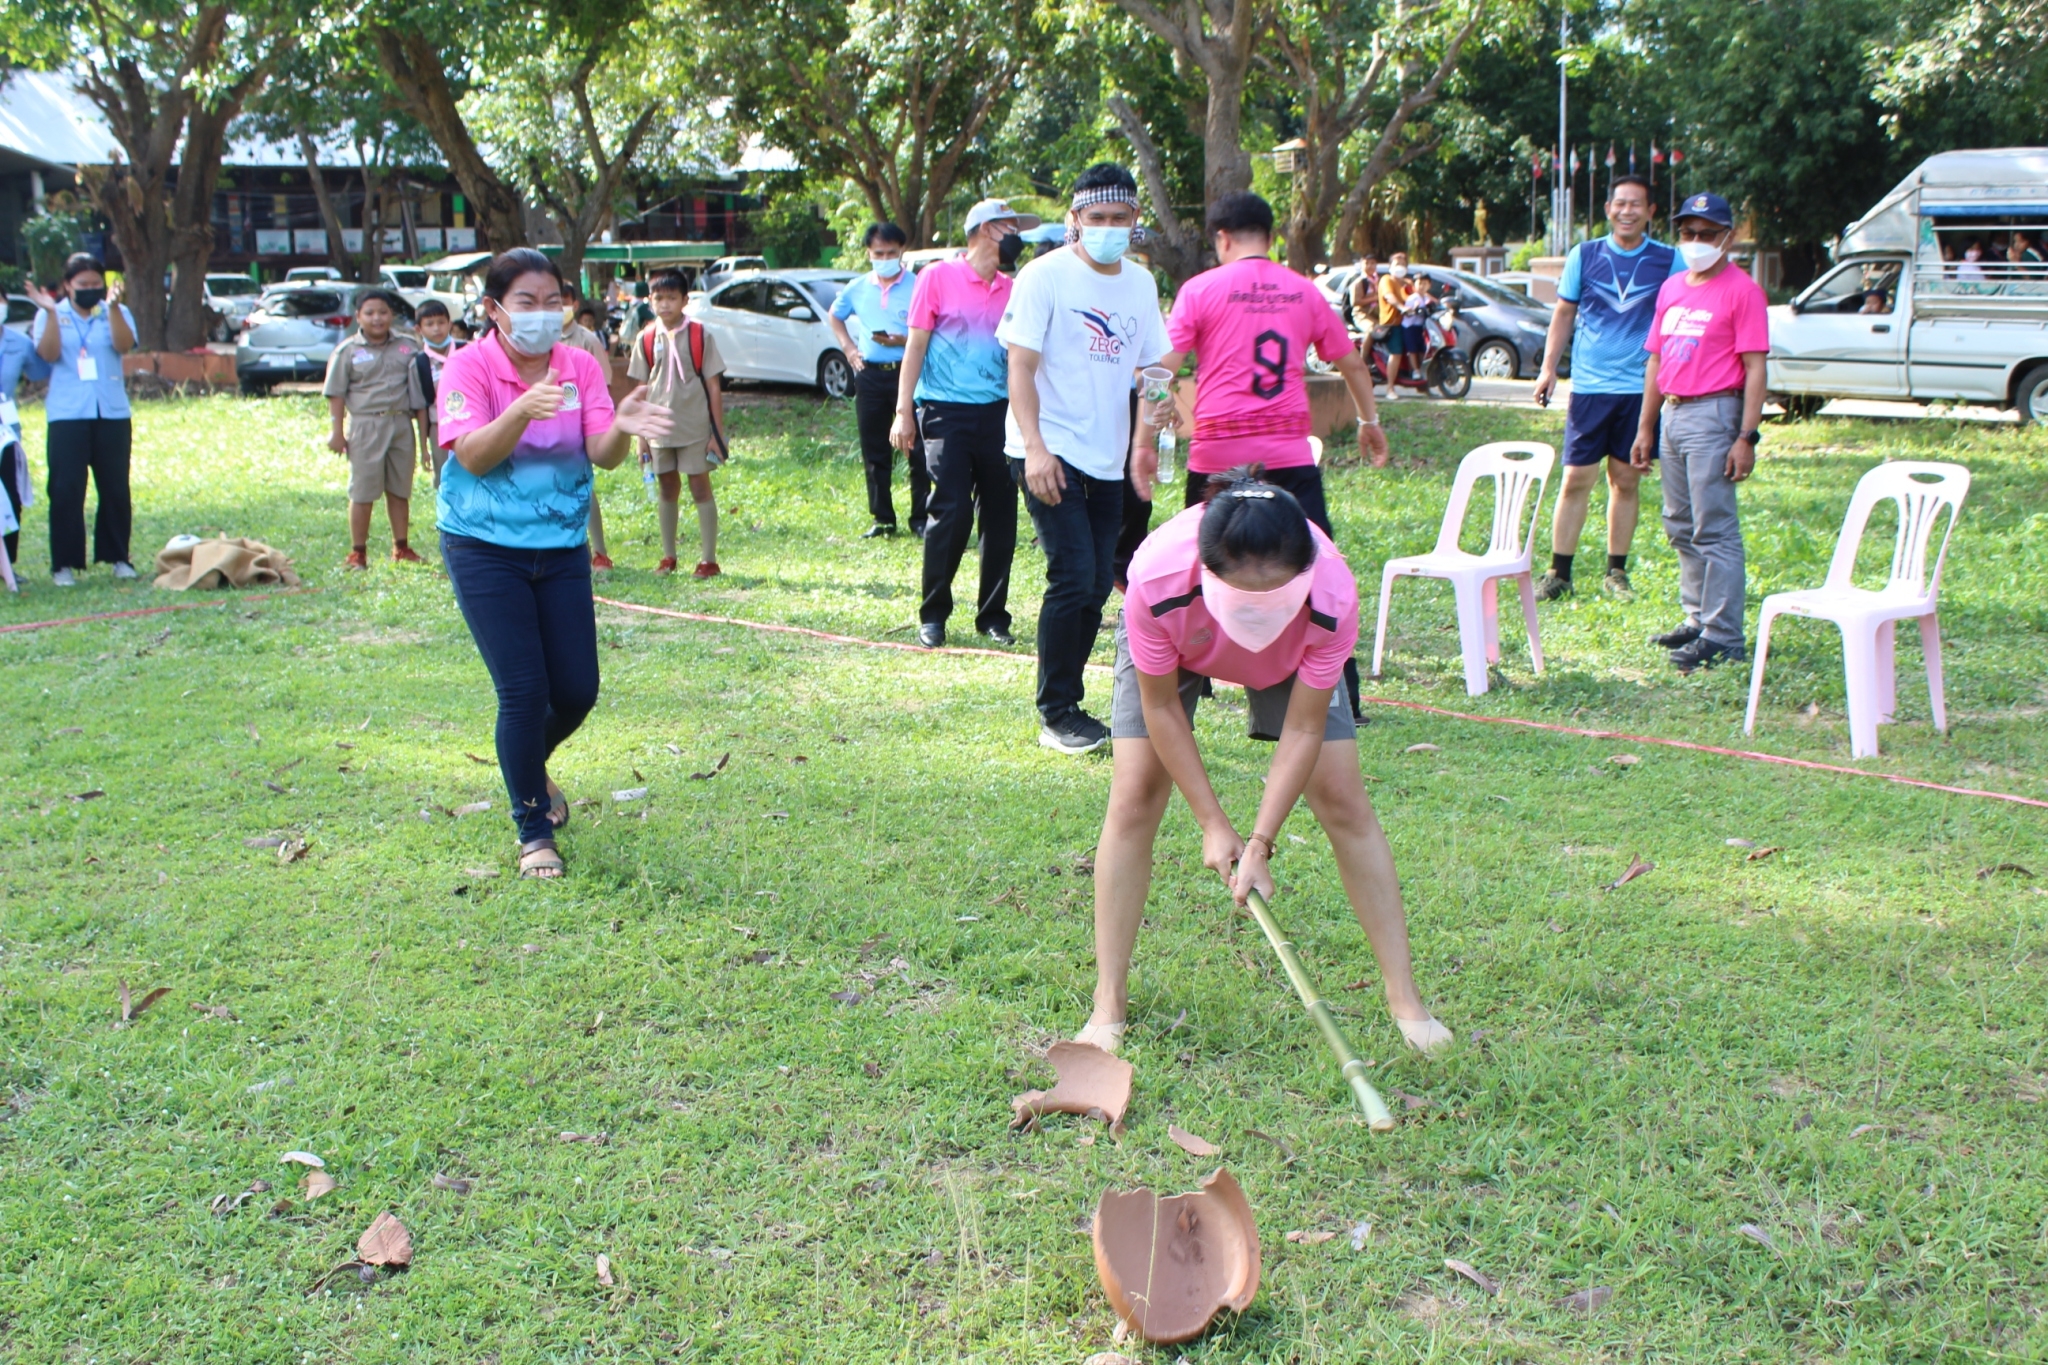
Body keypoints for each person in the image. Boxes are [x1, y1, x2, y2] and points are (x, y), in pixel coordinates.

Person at [1076, 468, 1451, 1058]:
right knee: (1134, 796)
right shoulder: (1157, 576)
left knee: (1343, 799)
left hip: (1292, 658)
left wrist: (1260, 841)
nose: (1256, 614)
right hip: (1185, 637)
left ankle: (1406, 999)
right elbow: (1162, 710)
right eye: (1241, 598)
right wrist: (1212, 823)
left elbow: (1303, 725)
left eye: (1272, 597)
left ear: (1304, 575)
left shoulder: (1331, 593)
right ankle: (1108, 1001)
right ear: (1206, 571)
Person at [432, 248, 673, 878]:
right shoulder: (468, 368)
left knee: (575, 690)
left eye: (551, 301)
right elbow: (475, 458)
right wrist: (520, 409)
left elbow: (604, 452)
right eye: (525, 302)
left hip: (561, 548)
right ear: (494, 309)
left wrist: (622, 424)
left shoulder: (580, 365)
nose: (542, 314)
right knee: (523, 691)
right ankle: (534, 832)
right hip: (483, 548)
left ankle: (525, 768)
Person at [1144, 190, 1389, 716]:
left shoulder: (1199, 290)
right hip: (1288, 457)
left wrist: (1150, 431)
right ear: (1272, 239)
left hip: (1217, 457)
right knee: (1318, 566)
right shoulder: (1303, 291)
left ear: (1222, 238)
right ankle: (1344, 698)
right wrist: (1369, 422)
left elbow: (1161, 371)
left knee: (1198, 566)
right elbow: (1351, 364)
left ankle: (1194, 680)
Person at [1000, 164, 1168, 755]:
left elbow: (1155, 369)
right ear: (1074, 221)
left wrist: (1150, 429)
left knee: (1099, 579)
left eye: (1118, 219)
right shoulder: (1043, 276)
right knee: (1072, 575)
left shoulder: (1141, 286)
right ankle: (1057, 712)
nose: (1106, 228)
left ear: (1134, 223)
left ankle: (1069, 703)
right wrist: (1037, 448)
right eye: (1095, 219)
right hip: (1046, 449)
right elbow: (1019, 367)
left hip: (1108, 454)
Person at [1631, 191, 1768, 675]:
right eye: (1687, 233)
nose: (1695, 242)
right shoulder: (1672, 289)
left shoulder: (1742, 291)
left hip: (1715, 414)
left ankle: (1725, 635)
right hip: (1673, 411)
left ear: (1728, 238)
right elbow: (1656, 359)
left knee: (1715, 529)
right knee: (1679, 524)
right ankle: (1697, 618)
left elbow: (1755, 368)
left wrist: (1746, 436)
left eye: (1706, 234)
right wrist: (1646, 426)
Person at [892, 199, 1033, 650]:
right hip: (944, 412)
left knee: (1000, 515)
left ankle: (993, 616)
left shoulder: (1016, 288)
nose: (1016, 236)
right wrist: (902, 411)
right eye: (1009, 227)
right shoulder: (937, 276)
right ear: (983, 230)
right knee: (949, 513)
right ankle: (934, 613)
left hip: (999, 415)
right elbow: (914, 348)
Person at [1531, 175, 1679, 601]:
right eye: (1620, 203)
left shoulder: (1669, 260)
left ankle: (1616, 572)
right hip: (1590, 387)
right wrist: (1548, 368)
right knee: (1576, 478)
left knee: (1625, 480)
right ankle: (1559, 573)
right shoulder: (1586, 254)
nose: (1627, 211)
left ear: (1651, 212)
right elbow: (1563, 315)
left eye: (1637, 204)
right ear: (1608, 209)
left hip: (1641, 389)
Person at [26, 254, 136, 586]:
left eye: (95, 284)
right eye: (82, 285)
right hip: (67, 413)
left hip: (111, 411)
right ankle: (64, 564)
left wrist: (114, 307)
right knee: (65, 489)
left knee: (115, 487)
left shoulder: (116, 311)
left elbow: (124, 345)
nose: (90, 290)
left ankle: (118, 557)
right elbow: (47, 355)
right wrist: (48, 311)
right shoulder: (50, 314)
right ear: (66, 286)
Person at [829, 223, 929, 538]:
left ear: (902, 252)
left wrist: (903, 339)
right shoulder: (857, 287)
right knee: (874, 448)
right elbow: (836, 315)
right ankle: (883, 519)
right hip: (870, 375)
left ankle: (921, 518)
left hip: (908, 372)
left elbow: (930, 329)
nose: (884, 258)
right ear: (869, 254)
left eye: (891, 253)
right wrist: (849, 349)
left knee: (919, 449)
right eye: (878, 253)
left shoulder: (918, 285)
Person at [625, 269, 728, 576]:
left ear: (685, 300)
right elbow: (640, 391)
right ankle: (668, 556)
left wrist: (716, 435)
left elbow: (713, 386)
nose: (665, 304)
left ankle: (708, 559)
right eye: (659, 298)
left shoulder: (699, 335)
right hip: (658, 430)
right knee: (667, 488)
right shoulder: (645, 338)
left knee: (700, 487)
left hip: (694, 427)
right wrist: (640, 436)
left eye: (672, 298)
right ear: (649, 301)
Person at [323, 288, 428, 569]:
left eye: (383, 312)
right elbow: (336, 394)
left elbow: (421, 387)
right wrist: (337, 431)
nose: (377, 318)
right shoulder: (347, 351)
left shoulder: (409, 346)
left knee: (400, 488)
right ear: (358, 316)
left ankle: (401, 547)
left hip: (401, 423)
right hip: (366, 424)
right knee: (363, 490)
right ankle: (358, 552)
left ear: (392, 315)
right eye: (370, 313)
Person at [560, 282, 618, 570]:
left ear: (573, 303)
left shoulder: (587, 339)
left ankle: (599, 551)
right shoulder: (533, 342)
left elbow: (603, 384)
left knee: (584, 484)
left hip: (581, 420)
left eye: (563, 300)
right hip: (546, 425)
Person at [0, 319, 48, 590]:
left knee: (10, 494)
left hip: (6, 432)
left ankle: (7, 564)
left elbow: (41, 370)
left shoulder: (19, 344)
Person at [413, 299, 464, 488]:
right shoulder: (420, 363)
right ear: (419, 329)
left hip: (474, 422)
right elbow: (422, 406)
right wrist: (424, 447)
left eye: (441, 322)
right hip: (440, 427)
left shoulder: (468, 350)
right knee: (446, 478)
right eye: (429, 324)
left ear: (450, 324)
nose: (436, 329)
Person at [1376, 252, 1422, 395]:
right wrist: (1402, 307)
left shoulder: (1408, 283)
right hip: (1392, 324)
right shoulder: (1386, 280)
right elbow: (1389, 296)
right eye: (1397, 264)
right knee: (1396, 353)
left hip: (1409, 323)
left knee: (1421, 348)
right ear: (1390, 266)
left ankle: (1421, 383)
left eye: (1403, 264)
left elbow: (1420, 295)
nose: (1400, 267)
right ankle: (1390, 388)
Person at [1346, 255, 1379, 334]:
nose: (1370, 266)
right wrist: (1374, 298)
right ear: (1361, 265)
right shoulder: (1359, 282)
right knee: (1372, 329)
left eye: (1372, 263)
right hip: (1362, 314)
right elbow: (1355, 302)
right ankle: (1365, 347)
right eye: (1366, 263)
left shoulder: (1378, 280)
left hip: (1376, 313)